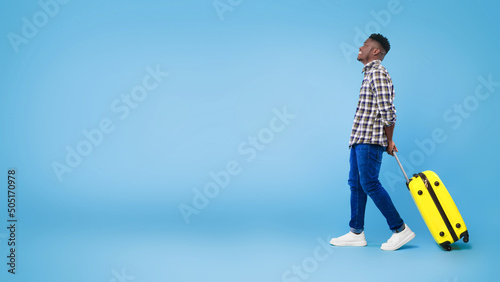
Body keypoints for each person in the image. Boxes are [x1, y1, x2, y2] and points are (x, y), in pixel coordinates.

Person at [330, 34, 415, 251]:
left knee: (369, 184)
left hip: (369, 141)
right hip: (360, 140)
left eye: (365, 45)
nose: (360, 47)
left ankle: (400, 229)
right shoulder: (369, 74)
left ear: (375, 51)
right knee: (356, 185)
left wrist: (389, 140)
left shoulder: (378, 73)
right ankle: (356, 232)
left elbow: (388, 112)